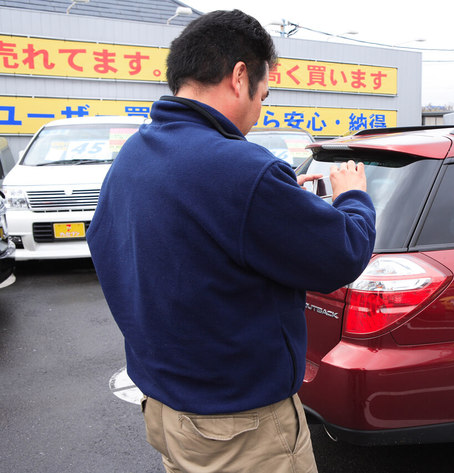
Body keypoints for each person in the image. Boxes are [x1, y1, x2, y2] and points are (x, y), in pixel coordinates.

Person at [87, 9, 376, 473]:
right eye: (264, 94)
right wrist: (355, 197)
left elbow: (113, 247)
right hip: (239, 427)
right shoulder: (242, 168)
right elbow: (343, 254)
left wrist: (274, 205)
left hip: (166, 409)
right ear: (240, 76)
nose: (261, 108)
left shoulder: (135, 155)